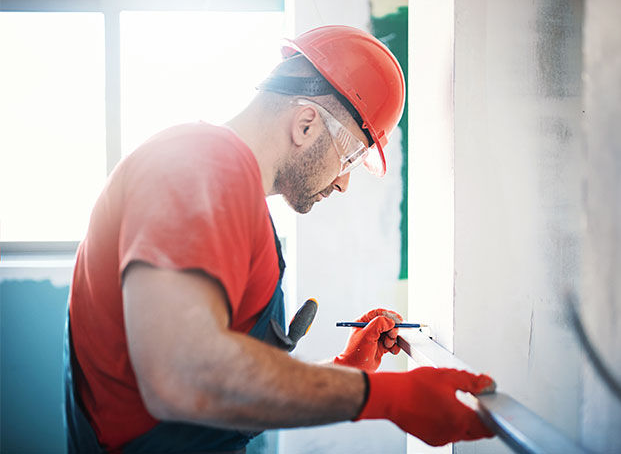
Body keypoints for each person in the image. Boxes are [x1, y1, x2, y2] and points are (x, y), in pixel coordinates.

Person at [64, 25, 496, 453]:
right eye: (350, 157)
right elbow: (183, 376)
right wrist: (386, 396)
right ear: (307, 124)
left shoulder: (224, 185)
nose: (344, 183)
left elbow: (222, 393)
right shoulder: (202, 165)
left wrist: (349, 371)